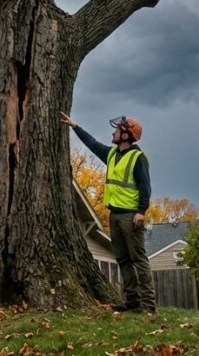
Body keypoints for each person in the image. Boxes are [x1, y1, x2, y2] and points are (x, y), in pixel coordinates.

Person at [61, 111, 156, 314]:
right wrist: (75, 126)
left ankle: (148, 305)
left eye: (117, 131)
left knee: (138, 258)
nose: (112, 134)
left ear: (125, 135)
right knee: (122, 259)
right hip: (114, 215)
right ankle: (133, 302)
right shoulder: (112, 154)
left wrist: (141, 211)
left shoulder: (137, 158)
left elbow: (145, 187)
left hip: (131, 216)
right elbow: (92, 144)